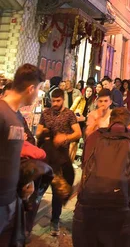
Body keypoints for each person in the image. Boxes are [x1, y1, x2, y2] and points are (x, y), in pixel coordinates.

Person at [72, 107, 130, 247]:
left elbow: (86, 172)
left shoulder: (93, 137)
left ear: (110, 122)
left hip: (87, 211)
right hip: (123, 214)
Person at [0, 64, 44, 244]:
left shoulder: (16, 116)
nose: (38, 95)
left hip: (11, 200)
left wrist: (27, 180)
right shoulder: (2, 113)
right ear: (30, 89)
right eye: (39, 90)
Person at [36, 88, 82, 236]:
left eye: (58, 101)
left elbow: (78, 133)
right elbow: (38, 132)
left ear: (63, 100)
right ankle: (28, 220)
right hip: (45, 158)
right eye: (53, 100)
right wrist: (43, 133)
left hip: (61, 159)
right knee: (38, 190)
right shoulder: (46, 113)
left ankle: (55, 220)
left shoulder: (69, 114)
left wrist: (65, 137)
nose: (55, 103)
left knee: (58, 192)